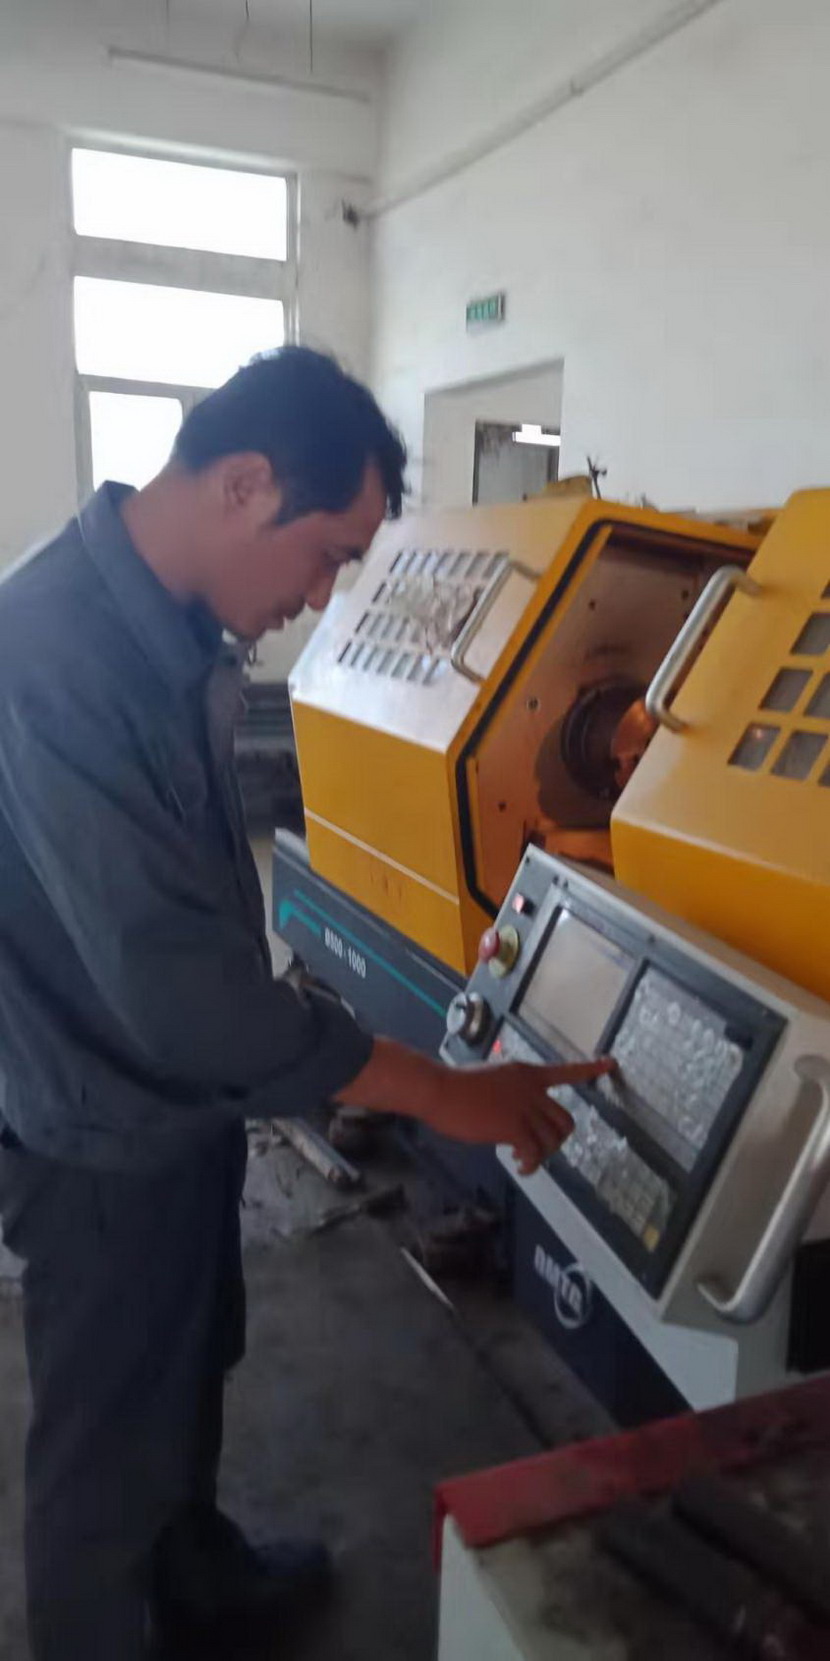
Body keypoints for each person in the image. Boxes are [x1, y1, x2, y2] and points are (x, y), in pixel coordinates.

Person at [0, 346, 611, 1660]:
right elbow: (181, 995)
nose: (325, 596)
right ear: (242, 485)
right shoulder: (50, 652)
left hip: (176, 1108)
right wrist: (438, 1089)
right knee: (107, 1434)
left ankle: (194, 1572)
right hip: (104, 1124)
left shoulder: (164, 626)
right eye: (328, 553)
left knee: (188, 1358)